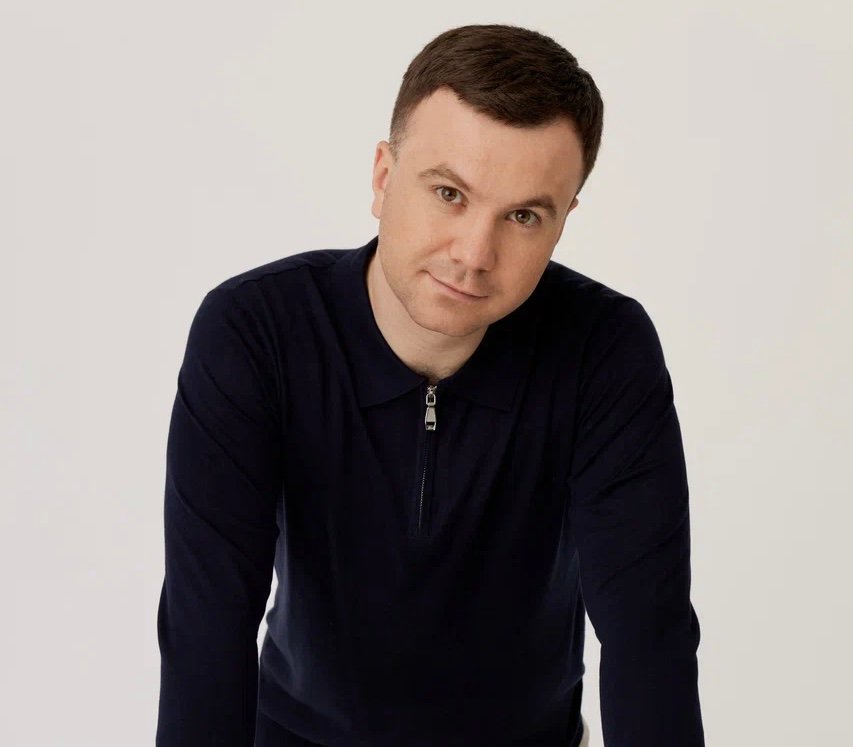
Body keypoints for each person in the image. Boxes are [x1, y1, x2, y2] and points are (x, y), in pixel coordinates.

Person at [155, 23, 704, 747]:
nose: (474, 254)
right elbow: (207, 629)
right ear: (383, 177)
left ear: (563, 221)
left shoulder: (604, 350)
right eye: (449, 193)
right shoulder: (256, 332)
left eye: (523, 216)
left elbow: (647, 636)